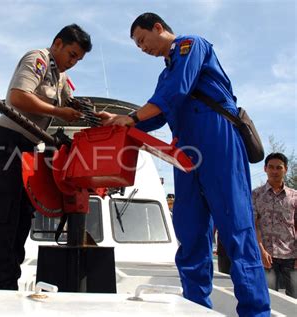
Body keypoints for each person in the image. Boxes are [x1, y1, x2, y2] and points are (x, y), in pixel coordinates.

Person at [98, 13, 270, 316]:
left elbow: (176, 92)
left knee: (236, 228)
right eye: (138, 46)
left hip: (218, 140)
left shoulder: (191, 45)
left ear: (158, 28)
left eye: (142, 40)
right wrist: (120, 123)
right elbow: (158, 114)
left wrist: (133, 117)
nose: (142, 48)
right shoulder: (165, 75)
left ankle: (256, 311)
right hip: (185, 152)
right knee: (190, 231)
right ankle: (195, 308)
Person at [0, 24, 92, 295]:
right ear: (57, 44)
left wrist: (81, 110)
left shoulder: (59, 77)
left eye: (78, 59)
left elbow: (69, 103)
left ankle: (7, 289)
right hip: (5, 146)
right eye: (71, 54)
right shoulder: (37, 59)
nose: (72, 63)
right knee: (3, 224)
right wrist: (59, 112)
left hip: (27, 150)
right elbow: (17, 97)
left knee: (19, 224)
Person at [253, 152, 296, 298]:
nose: (275, 171)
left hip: (291, 256)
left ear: (286, 169)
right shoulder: (256, 195)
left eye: (279, 167)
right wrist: (261, 250)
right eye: (271, 167)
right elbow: (254, 225)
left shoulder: (294, 196)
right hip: (266, 257)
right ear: (265, 169)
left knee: (294, 301)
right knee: (269, 299)